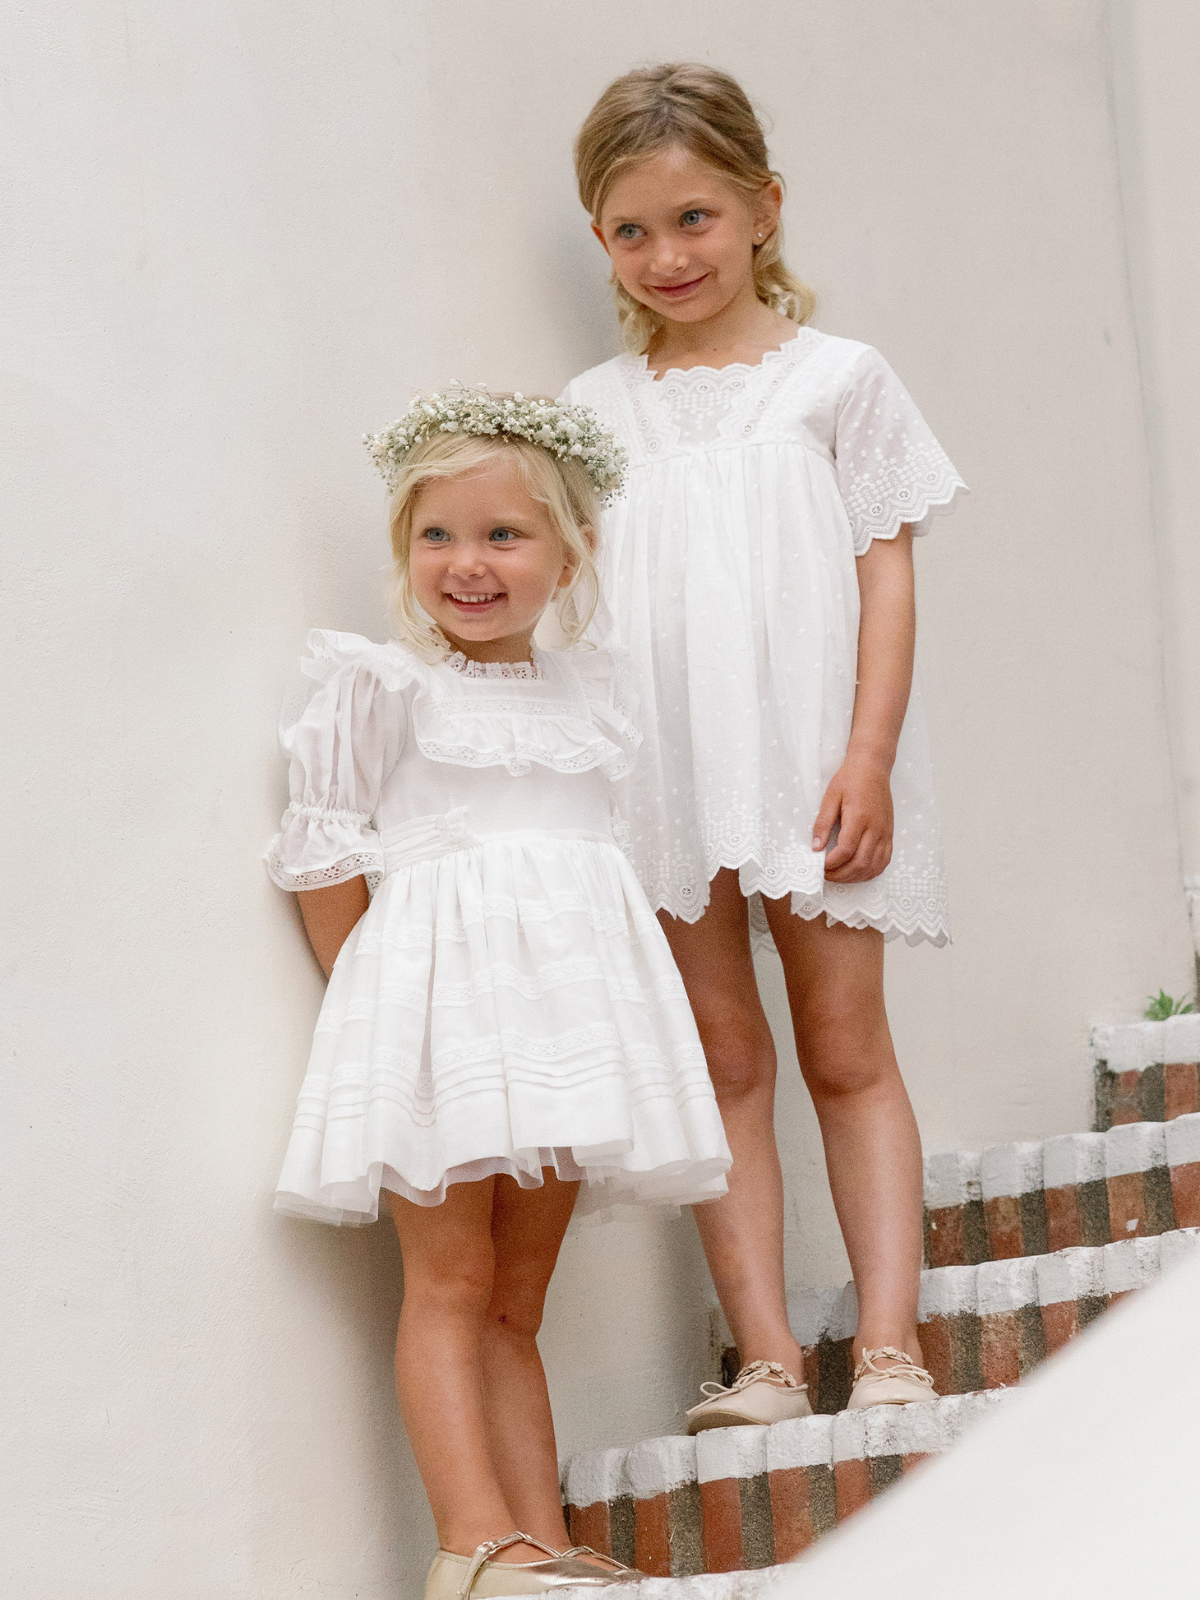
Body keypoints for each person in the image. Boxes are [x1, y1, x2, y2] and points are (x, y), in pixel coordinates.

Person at [264, 387, 731, 1596]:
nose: (466, 565)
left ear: (570, 551)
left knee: (519, 1298)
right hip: (443, 1024)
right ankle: (472, 1542)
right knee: (454, 1281)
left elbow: (601, 872)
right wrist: (389, 1016)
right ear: (404, 551)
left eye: (503, 536)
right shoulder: (382, 687)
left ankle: (543, 1535)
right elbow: (325, 862)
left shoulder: (600, 696)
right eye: (438, 537)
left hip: (566, 1027)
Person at [563, 63, 967, 1431]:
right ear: (602, 240)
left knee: (845, 1050)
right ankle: (770, 1361)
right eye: (631, 230)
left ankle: (894, 1343)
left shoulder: (838, 381)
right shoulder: (594, 414)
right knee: (723, 1061)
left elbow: (887, 577)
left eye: (695, 219)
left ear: (762, 211)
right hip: (666, 780)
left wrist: (867, 754)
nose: (668, 255)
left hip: (815, 759)